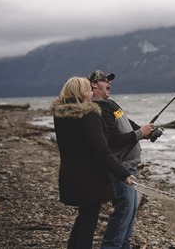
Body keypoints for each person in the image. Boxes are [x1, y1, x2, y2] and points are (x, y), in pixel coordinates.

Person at [50, 77, 152, 249]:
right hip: (89, 179)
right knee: (88, 221)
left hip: (70, 175)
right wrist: (124, 174)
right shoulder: (89, 116)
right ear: (82, 93)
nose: (91, 93)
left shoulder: (61, 116)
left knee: (83, 217)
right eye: (88, 90)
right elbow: (102, 153)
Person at [88, 70, 158, 249]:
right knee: (124, 208)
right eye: (104, 80)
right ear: (94, 85)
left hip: (129, 164)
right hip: (119, 165)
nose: (108, 83)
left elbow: (128, 124)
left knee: (131, 209)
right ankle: (111, 246)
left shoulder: (110, 104)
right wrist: (139, 133)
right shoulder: (99, 109)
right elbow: (113, 140)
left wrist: (147, 133)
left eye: (109, 80)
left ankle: (123, 245)